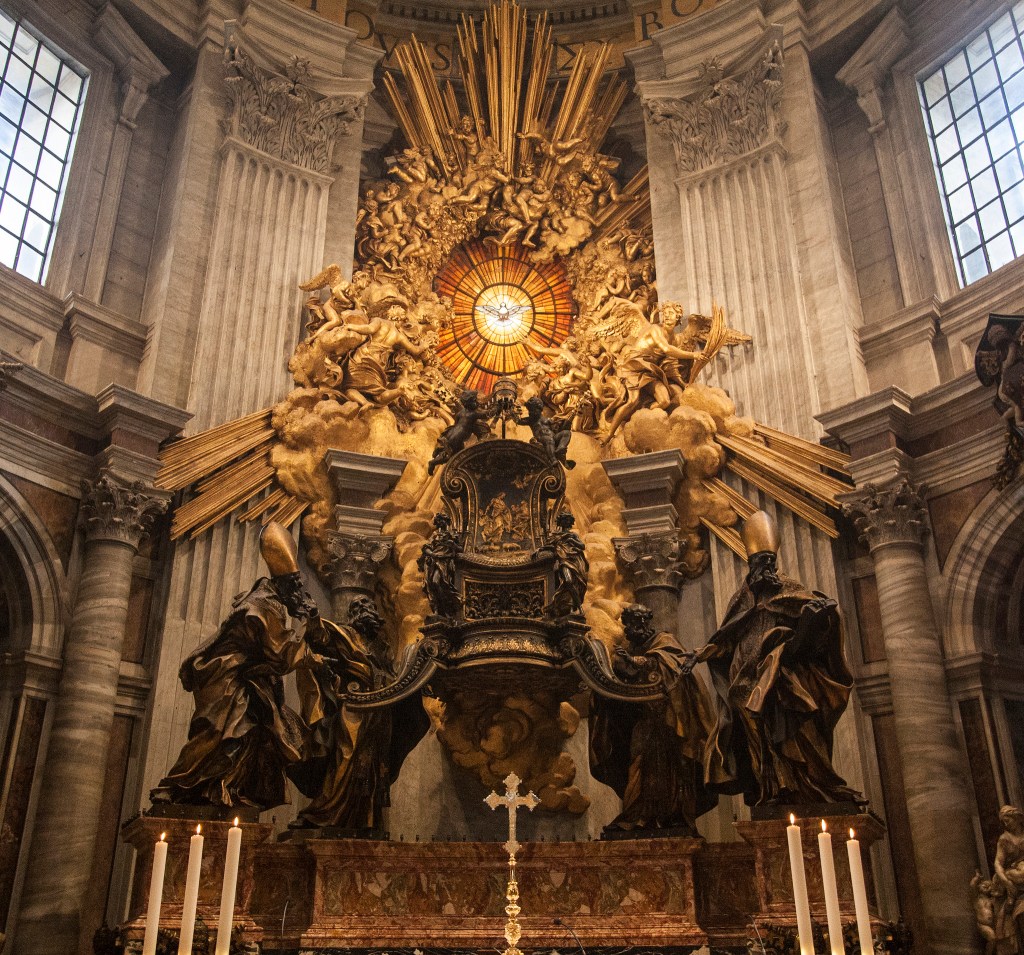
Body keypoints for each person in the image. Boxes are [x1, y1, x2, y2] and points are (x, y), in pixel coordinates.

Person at [684, 510, 861, 808]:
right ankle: (772, 790)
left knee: (797, 735)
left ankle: (812, 785)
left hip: (783, 681)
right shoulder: (741, 600)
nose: (764, 569)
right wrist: (700, 654)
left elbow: (818, 636)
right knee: (760, 746)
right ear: (750, 566)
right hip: (745, 687)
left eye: (769, 562)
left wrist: (818, 619)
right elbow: (725, 640)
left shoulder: (792, 592)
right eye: (758, 562)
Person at [149, 525, 326, 810]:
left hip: (244, 680)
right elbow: (280, 655)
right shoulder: (262, 606)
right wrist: (309, 629)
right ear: (284, 585)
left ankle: (225, 789)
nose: (300, 592)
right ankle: (175, 786)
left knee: (252, 737)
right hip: (226, 678)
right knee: (217, 733)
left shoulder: (269, 600)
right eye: (296, 585)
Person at [289, 596, 428, 832]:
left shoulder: (380, 647)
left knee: (373, 766)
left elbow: (393, 677)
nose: (370, 612)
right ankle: (327, 811)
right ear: (354, 614)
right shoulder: (344, 635)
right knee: (346, 756)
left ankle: (365, 819)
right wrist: (312, 616)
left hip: (380, 712)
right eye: (363, 608)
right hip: (354, 708)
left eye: (372, 608)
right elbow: (319, 636)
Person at [590, 604, 716, 834]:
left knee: (669, 770)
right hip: (644, 723)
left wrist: (636, 662)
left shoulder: (665, 642)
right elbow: (621, 683)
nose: (629, 630)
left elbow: (670, 670)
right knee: (637, 766)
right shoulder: (631, 648)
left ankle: (672, 814)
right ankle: (637, 813)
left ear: (644, 623)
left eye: (633, 624)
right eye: (627, 625)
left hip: (670, 723)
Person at [534, 511, 588, 617]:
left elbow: (582, 546)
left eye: (568, 520)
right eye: (565, 520)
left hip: (575, 560)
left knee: (573, 582)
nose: (567, 522)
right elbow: (550, 546)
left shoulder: (572, 535)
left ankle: (577, 608)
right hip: (563, 561)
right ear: (561, 522)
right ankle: (578, 607)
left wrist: (571, 539)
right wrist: (539, 550)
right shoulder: (557, 536)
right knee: (568, 581)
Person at [418, 512, 463, 618]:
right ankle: (437, 609)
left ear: (445, 521)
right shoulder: (435, 536)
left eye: (442, 520)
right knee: (432, 584)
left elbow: (461, 549)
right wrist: (432, 554)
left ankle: (445, 607)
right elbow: (426, 547)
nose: (440, 523)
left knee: (436, 581)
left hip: (445, 563)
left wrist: (453, 545)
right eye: (439, 521)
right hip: (434, 562)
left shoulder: (452, 534)